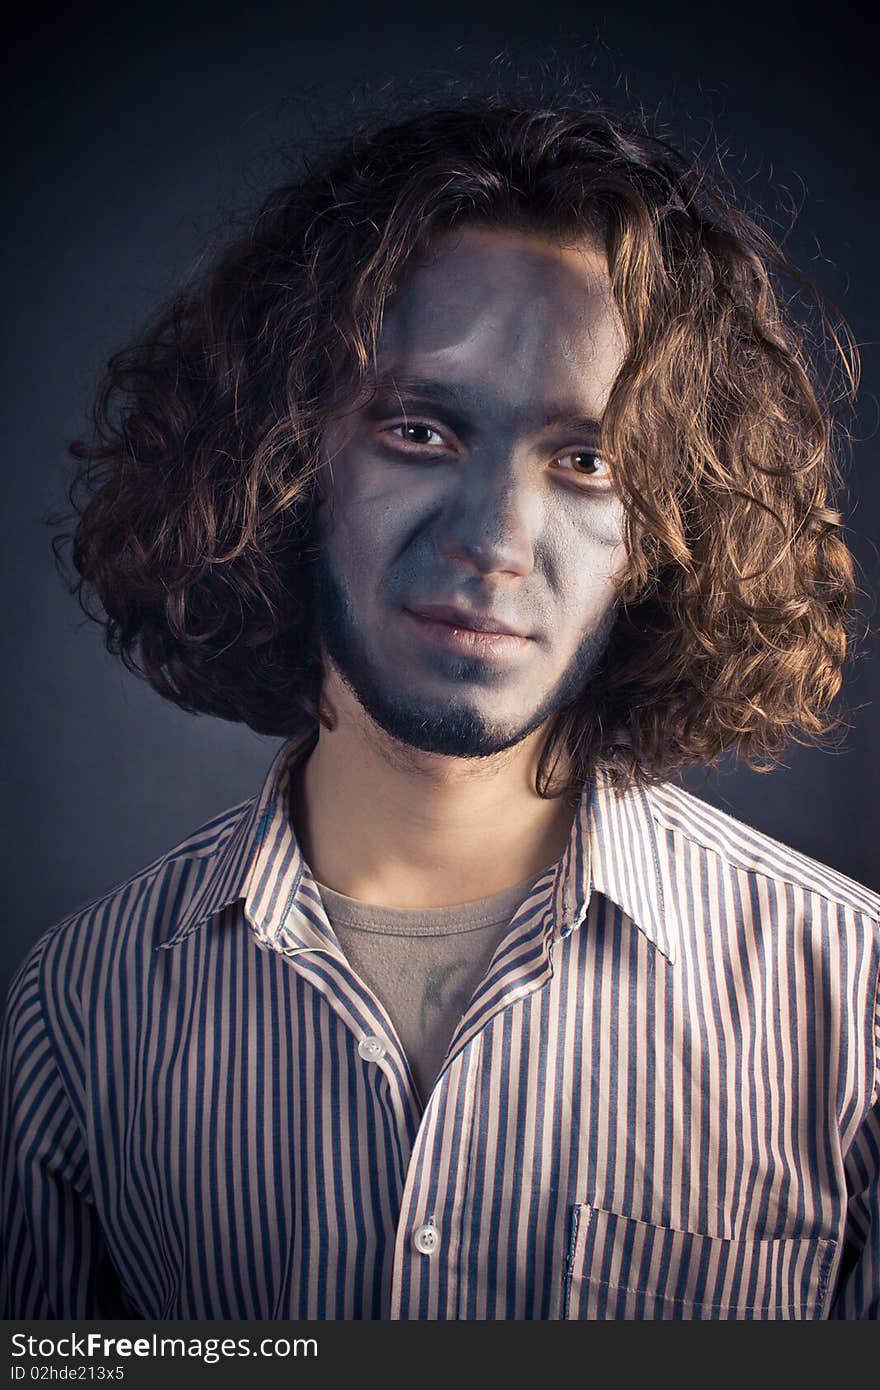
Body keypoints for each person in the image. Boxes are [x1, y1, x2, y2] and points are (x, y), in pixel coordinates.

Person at [1, 95, 877, 1322]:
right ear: (285, 465)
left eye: (590, 461)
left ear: (674, 526)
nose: (494, 541)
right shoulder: (80, 1006)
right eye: (419, 429)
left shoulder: (853, 996)